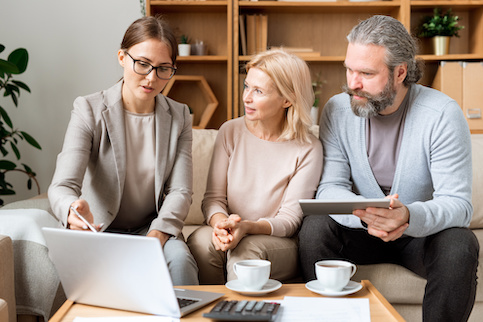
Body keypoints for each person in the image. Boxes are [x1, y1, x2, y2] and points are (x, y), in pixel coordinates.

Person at [298, 15, 479, 321]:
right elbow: (331, 186)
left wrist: (406, 215)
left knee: (460, 244)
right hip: (359, 230)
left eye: (366, 73)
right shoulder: (337, 109)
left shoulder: (442, 114)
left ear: (400, 72)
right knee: (314, 229)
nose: (352, 83)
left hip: (418, 235)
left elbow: (459, 204)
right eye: (349, 69)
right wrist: (370, 216)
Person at [48, 15, 199, 286]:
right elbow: (62, 185)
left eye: (163, 68)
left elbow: (180, 191)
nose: (151, 78)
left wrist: (157, 236)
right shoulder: (89, 109)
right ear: (122, 57)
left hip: (152, 228)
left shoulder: (180, 117)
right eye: (142, 64)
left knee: (181, 261)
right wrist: (73, 210)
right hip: (100, 229)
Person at [187, 49, 323, 284]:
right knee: (201, 242)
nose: (246, 97)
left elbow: (290, 220)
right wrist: (222, 225)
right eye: (246, 86)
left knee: (246, 251)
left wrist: (247, 227)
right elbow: (213, 199)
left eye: (258, 91)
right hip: (229, 226)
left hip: (276, 240)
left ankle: (242, 314)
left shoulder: (308, 147)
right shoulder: (230, 131)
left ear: (287, 99)